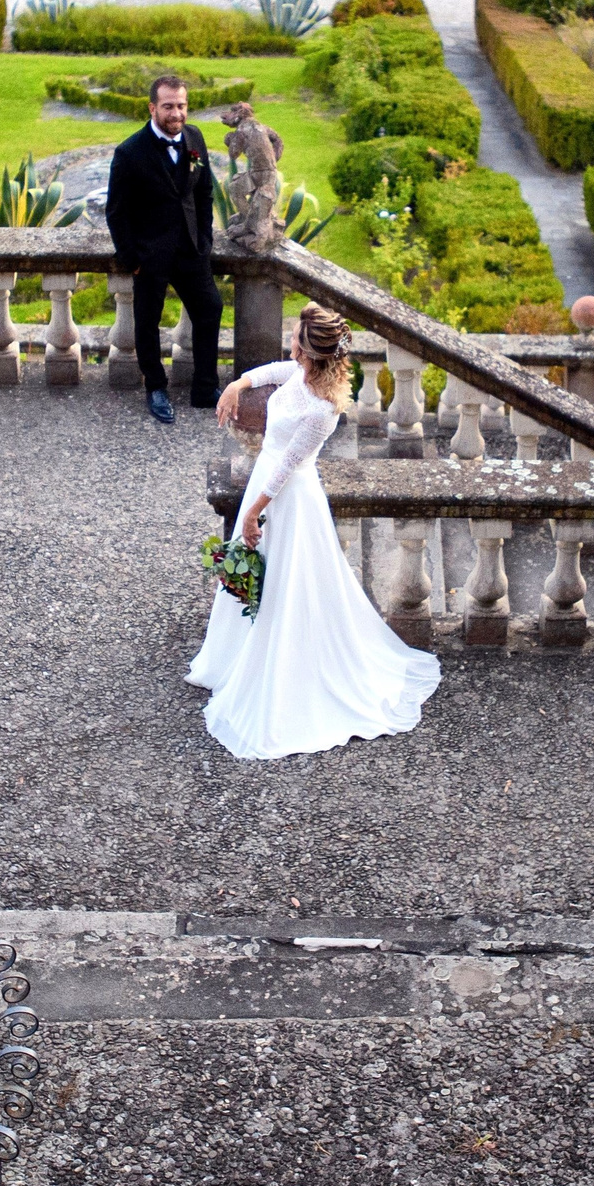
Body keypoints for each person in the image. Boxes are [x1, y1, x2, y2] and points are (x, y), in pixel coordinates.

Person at [189, 305, 442, 760]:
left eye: (296, 340)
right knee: (251, 573)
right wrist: (237, 383)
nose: (290, 344)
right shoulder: (300, 372)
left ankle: (282, 668)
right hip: (264, 484)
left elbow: (288, 466)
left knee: (284, 582)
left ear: (309, 353)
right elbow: (272, 371)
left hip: (285, 498)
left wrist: (254, 514)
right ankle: (234, 656)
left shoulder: (323, 408)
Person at [104, 74, 221, 425]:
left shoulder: (195, 138)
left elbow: (204, 193)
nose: (177, 113)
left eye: (182, 106)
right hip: (150, 256)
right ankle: (156, 388)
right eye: (169, 106)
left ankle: (204, 387)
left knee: (210, 308)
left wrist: (205, 241)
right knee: (147, 323)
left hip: (190, 251)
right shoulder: (128, 152)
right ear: (153, 107)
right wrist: (131, 260)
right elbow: (116, 211)